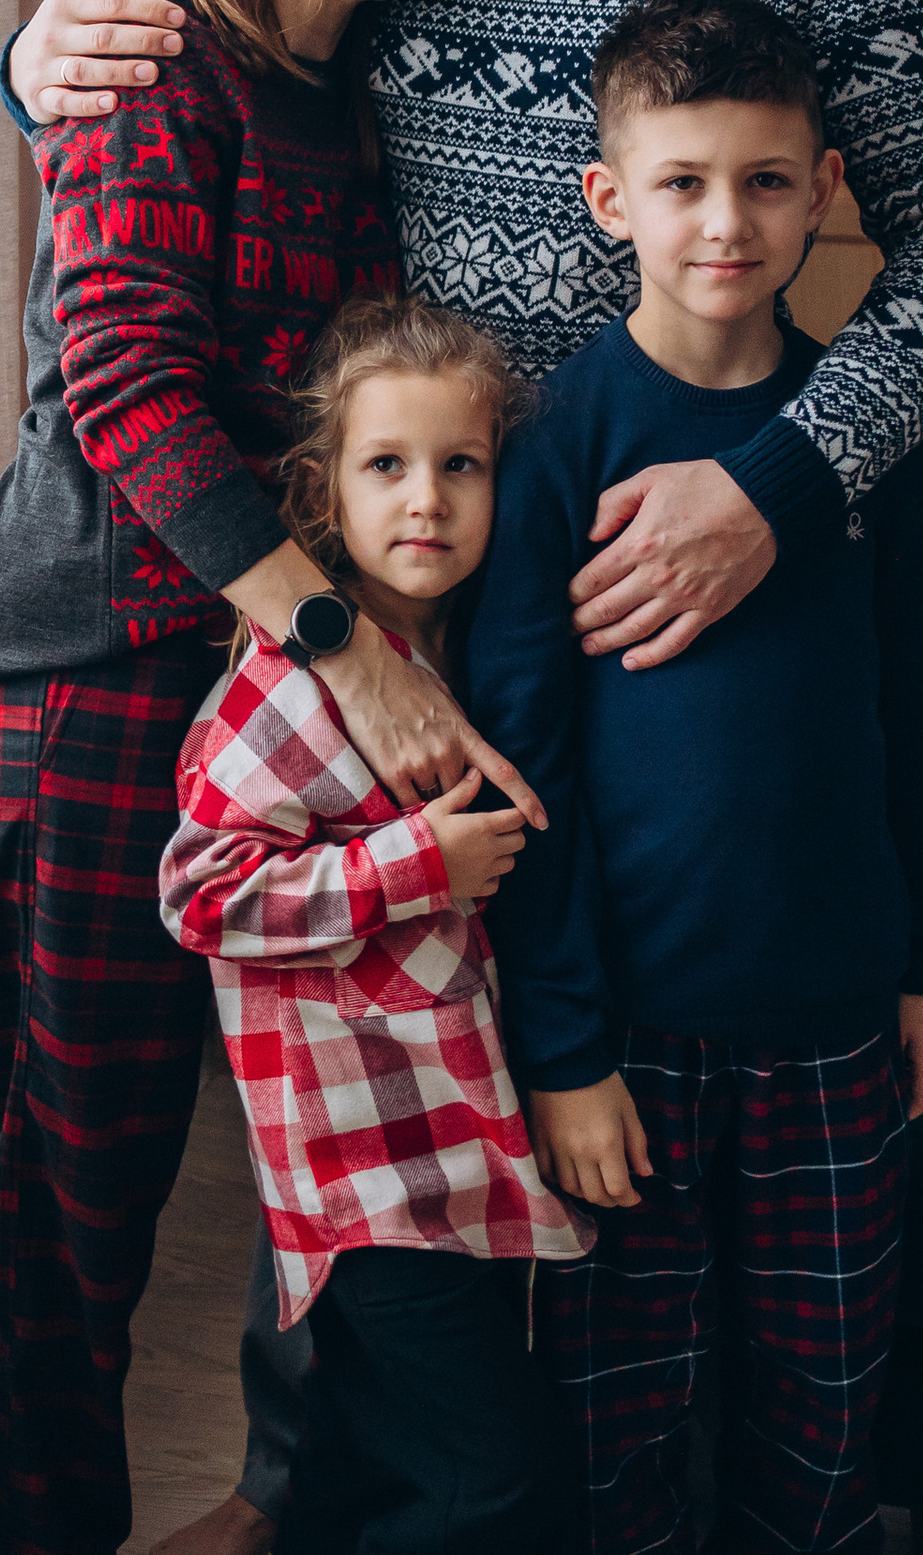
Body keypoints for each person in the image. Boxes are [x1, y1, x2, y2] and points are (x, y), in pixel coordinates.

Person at [6, 0, 923, 1555]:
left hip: (662, 614)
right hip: (373, 600)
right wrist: (38, 57)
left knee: (563, 1198)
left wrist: (773, 482)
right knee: (356, 1205)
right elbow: (212, 84)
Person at [0, 0, 501, 1555]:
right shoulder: (148, 68)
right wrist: (348, 652)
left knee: (311, 1147)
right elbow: (126, 390)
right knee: (81, 1200)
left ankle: (286, 1508)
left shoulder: (357, 110)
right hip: (93, 682)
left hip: (261, 698)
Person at [467, 0, 923, 1553]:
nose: (726, 223)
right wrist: (559, 1050)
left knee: (823, 1433)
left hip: (832, 1025)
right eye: (682, 184)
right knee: (617, 1432)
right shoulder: (553, 441)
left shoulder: (865, 437)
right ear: (613, 200)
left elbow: (909, 713)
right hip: (634, 1034)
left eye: (764, 182)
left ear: (824, 188)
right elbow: (520, 769)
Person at [159, 292, 591, 1553]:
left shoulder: (465, 654)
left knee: (371, 1456)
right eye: (387, 466)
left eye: (461, 466)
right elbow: (199, 892)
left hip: (444, 1140)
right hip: (361, 1169)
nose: (427, 501)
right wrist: (413, 863)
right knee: (488, 1473)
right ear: (320, 492)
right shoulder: (286, 689)